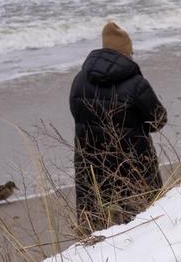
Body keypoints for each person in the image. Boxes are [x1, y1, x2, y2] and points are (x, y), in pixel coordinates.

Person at [70, 20, 168, 230]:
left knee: (95, 225)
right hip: (134, 165)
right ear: (127, 52)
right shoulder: (136, 84)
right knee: (143, 224)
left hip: (90, 165)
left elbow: (76, 114)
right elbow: (158, 120)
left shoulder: (79, 80)